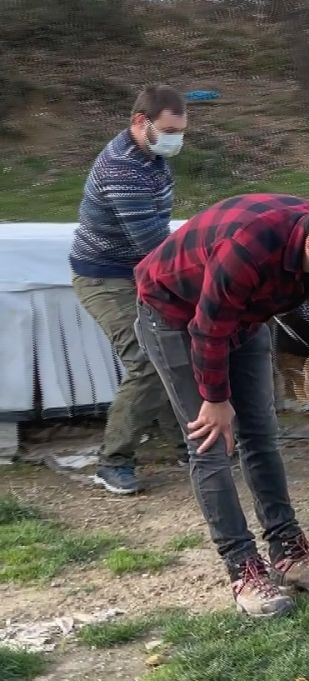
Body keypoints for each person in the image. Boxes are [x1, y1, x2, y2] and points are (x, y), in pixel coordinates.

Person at [134, 194, 309, 618]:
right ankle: (243, 568)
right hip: (176, 315)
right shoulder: (249, 247)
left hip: (244, 317)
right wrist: (215, 399)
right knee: (210, 443)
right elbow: (208, 329)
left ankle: (288, 552)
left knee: (261, 434)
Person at [69, 84, 190, 495]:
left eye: (181, 131)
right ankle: (113, 461)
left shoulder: (153, 157)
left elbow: (159, 233)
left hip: (140, 271)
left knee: (177, 349)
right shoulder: (124, 169)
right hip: (104, 276)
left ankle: (188, 445)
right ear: (141, 122)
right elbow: (152, 244)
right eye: (169, 129)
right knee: (145, 359)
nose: (177, 139)